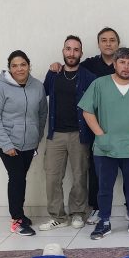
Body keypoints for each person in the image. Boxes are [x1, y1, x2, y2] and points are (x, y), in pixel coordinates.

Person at [49, 27, 129, 225]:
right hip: (94, 130)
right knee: (96, 171)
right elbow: (71, 72)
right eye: (104, 40)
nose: (108, 43)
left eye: (112, 40)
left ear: (118, 43)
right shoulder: (88, 66)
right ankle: (96, 208)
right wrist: (56, 66)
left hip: (125, 131)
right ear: (98, 44)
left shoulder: (128, 65)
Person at [78, 47, 129, 239]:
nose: (126, 67)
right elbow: (87, 111)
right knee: (104, 187)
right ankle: (104, 222)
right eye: (122, 62)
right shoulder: (99, 84)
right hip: (105, 147)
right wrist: (100, 135)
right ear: (114, 64)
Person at [0, 50, 47, 236]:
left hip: (29, 143)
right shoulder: (0, 87)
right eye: (14, 66)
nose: (19, 69)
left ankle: (20, 214)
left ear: (29, 66)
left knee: (20, 178)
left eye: (23, 65)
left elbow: (42, 114)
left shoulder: (37, 86)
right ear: (9, 68)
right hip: (7, 143)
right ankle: (17, 220)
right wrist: (6, 144)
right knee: (16, 178)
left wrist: (37, 138)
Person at [40, 36, 96, 231]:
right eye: (68, 49)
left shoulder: (89, 77)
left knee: (80, 176)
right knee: (52, 177)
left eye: (76, 50)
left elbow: (95, 105)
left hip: (80, 134)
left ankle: (78, 213)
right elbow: (42, 94)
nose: (71, 53)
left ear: (81, 53)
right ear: (63, 50)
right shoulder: (53, 74)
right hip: (55, 134)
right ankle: (58, 216)